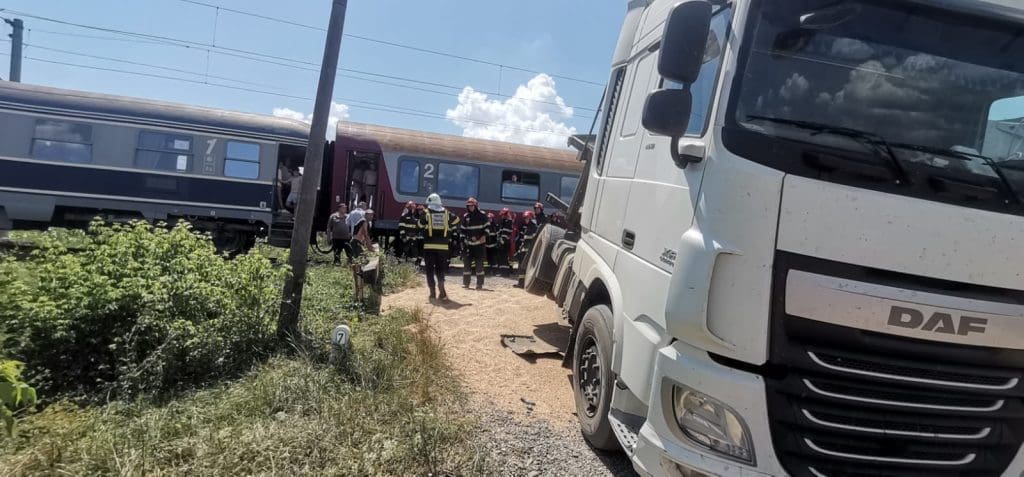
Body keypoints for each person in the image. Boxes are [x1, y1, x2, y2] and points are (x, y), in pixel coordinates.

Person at [419, 193, 460, 302]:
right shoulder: (446, 213)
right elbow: (457, 220)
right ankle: (441, 288)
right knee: (440, 269)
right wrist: (449, 225)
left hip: (429, 246)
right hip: (443, 247)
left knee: (429, 270)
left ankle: (432, 293)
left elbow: (419, 225)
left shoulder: (426, 212)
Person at [460, 197, 489, 289]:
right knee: (466, 265)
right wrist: (463, 240)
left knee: (479, 266)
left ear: (476, 206)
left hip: (479, 245)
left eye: (472, 206)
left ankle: (479, 284)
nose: (470, 207)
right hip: (469, 245)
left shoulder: (482, 215)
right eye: (469, 206)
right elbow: (462, 230)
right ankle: (466, 283)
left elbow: (487, 228)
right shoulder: (466, 216)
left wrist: (484, 236)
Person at [515, 210, 539, 287]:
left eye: (527, 218)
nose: (525, 219)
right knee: (522, 266)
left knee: (523, 266)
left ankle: (522, 283)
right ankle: (521, 283)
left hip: (527, 251)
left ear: (530, 218)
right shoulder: (529, 227)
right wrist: (519, 250)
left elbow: (531, 240)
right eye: (525, 218)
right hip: (524, 250)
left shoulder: (533, 227)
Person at [496, 208, 514, 276]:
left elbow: (506, 233)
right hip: (502, 242)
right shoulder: (504, 221)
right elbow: (500, 231)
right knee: (501, 257)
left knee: (504, 257)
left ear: (506, 214)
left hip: (505, 242)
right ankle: (503, 272)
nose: (502, 216)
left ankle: (505, 273)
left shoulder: (508, 221)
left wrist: (502, 240)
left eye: (503, 215)